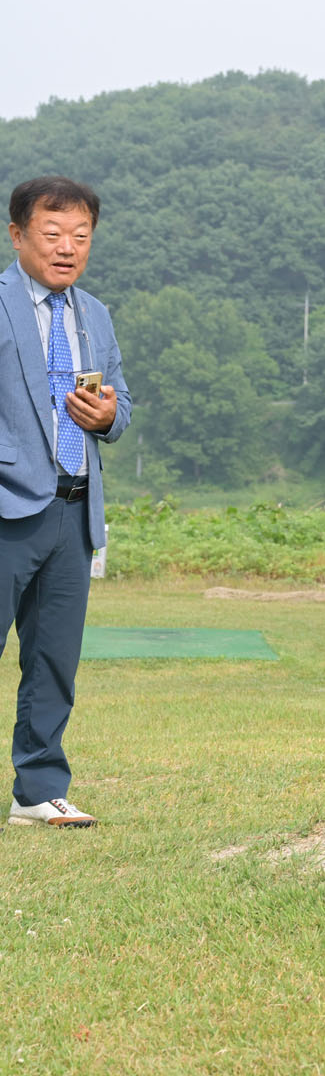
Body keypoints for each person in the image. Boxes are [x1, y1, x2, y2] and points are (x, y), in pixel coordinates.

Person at [2, 177, 129, 827]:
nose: (67, 248)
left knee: (54, 660)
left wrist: (108, 415)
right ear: (17, 235)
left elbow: (121, 404)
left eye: (81, 236)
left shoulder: (95, 314)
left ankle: (37, 790)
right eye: (52, 234)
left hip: (73, 509)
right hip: (5, 508)